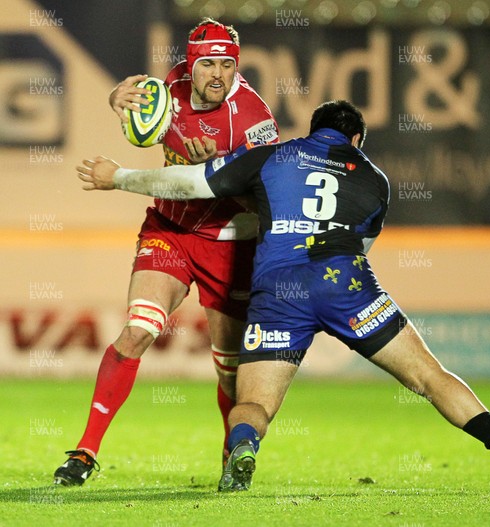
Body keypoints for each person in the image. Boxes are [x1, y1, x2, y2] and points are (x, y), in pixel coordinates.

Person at [76, 100, 490, 495]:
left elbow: (190, 183)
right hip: (345, 286)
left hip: (279, 291)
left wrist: (118, 177)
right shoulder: (375, 179)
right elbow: (362, 243)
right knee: (430, 378)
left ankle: (243, 449)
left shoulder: (274, 155)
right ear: (355, 140)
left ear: (313, 129)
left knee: (255, 404)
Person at [54, 17, 279, 486]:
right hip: (171, 229)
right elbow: (135, 104)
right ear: (190, 65)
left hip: (230, 242)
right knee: (137, 331)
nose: (219, 75)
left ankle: (231, 462)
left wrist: (214, 171)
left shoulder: (254, 122)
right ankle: (85, 452)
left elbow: (266, 197)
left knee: (230, 370)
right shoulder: (170, 84)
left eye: (228, 65)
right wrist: (115, 96)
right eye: (209, 64)